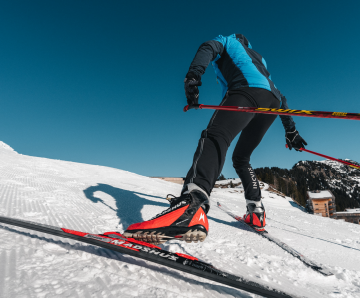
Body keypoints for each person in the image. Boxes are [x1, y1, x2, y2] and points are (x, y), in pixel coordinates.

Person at [124, 34, 307, 244]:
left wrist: (193, 76)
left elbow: (208, 47)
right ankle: (256, 211)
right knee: (241, 158)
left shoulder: (228, 40)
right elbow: (280, 97)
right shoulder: (259, 59)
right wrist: (291, 130)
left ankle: (190, 205)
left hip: (244, 92)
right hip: (272, 102)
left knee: (215, 136)